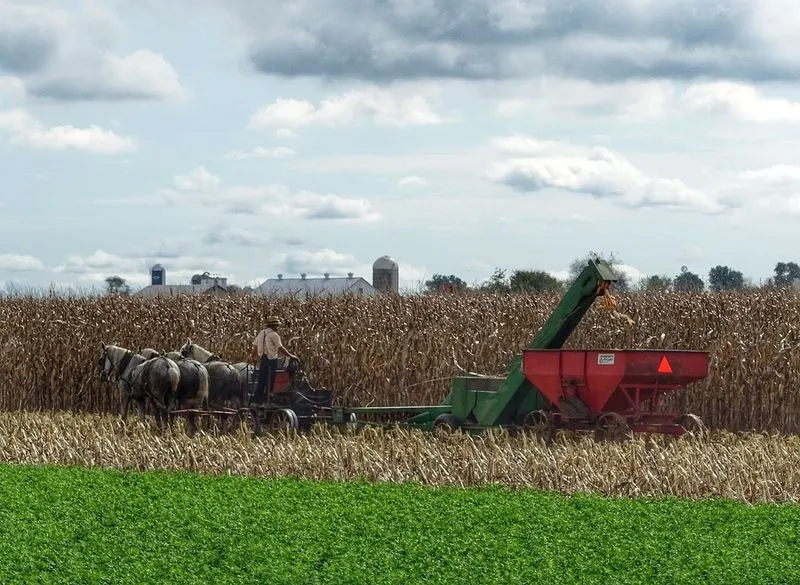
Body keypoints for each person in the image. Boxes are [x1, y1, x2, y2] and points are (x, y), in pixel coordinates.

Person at [251, 315, 296, 405]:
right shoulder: (274, 335)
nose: (277, 327)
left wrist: (253, 357)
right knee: (271, 380)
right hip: (271, 360)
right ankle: (268, 399)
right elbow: (281, 348)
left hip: (263, 359)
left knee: (262, 380)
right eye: (276, 325)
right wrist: (291, 355)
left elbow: (255, 347)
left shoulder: (261, 333)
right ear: (273, 326)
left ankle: (256, 401)